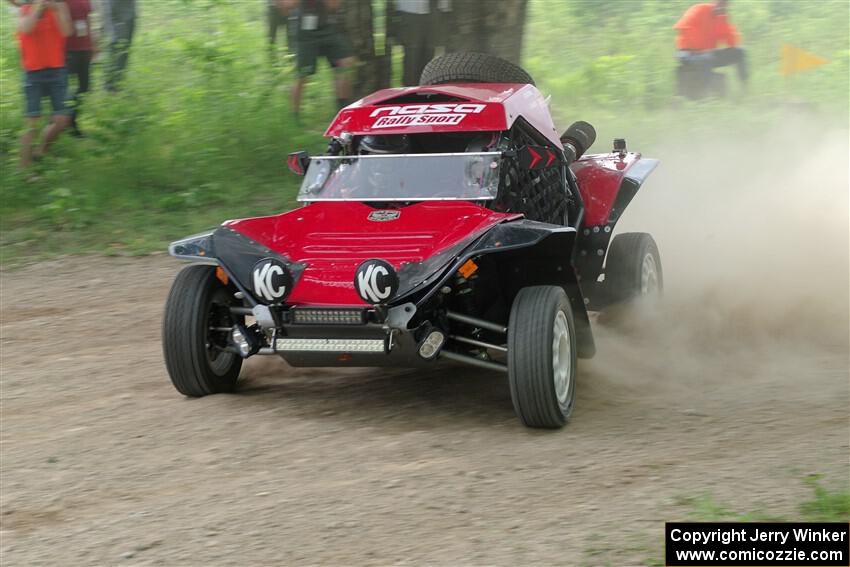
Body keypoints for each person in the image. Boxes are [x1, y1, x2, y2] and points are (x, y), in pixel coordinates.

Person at [16, 0, 73, 168]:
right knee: (31, 124)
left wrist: (57, 9)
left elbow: (67, 31)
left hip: (57, 70)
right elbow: (26, 28)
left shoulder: (59, 7)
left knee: (62, 120)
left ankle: (41, 151)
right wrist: (38, 7)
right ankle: (24, 170)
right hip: (33, 72)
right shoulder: (25, 8)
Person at [282, 0, 355, 119]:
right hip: (305, 32)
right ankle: (294, 117)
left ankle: (343, 112)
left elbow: (334, 5)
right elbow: (287, 5)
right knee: (302, 74)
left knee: (345, 63)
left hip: (327, 27)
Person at [673, 0, 748, 99]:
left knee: (740, 51)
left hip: (707, 54)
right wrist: (697, 50)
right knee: (706, 58)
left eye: (725, 3)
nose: (722, 5)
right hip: (686, 53)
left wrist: (725, 21)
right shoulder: (699, 9)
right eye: (720, 2)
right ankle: (705, 96)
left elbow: (731, 41)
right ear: (714, 1)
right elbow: (681, 26)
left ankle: (745, 88)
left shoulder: (721, 18)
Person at [64, 0, 94, 136]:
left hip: (84, 47)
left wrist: (92, 43)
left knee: (84, 86)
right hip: (68, 48)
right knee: (64, 88)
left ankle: (70, 120)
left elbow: (87, 19)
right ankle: (61, 122)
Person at [102, 0, 135, 92]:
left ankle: (118, 84)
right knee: (116, 48)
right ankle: (110, 86)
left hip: (129, 15)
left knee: (124, 51)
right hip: (117, 15)